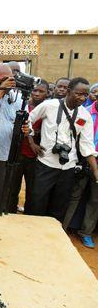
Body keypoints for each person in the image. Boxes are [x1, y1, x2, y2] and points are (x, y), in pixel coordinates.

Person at [26, 77, 98, 222]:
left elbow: (87, 145)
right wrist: (31, 142)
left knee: (58, 209)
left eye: (85, 95)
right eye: (78, 94)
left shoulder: (85, 115)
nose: (82, 98)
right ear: (69, 91)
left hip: (68, 168)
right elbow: (28, 119)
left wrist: (95, 170)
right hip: (45, 164)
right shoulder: (49, 105)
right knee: (36, 204)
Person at [63, 96, 98, 248]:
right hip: (82, 159)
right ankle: (61, 229)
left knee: (95, 200)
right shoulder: (85, 112)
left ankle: (86, 233)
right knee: (74, 195)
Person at [9, 79, 49, 212]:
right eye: (35, 90)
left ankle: (29, 213)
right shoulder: (22, 105)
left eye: (41, 91)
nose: (37, 93)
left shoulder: (49, 109)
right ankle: (10, 210)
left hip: (36, 156)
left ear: (47, 94)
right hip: (19, 152)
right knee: (13, 186)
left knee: (32, 189)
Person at [0, 64, 20, 211]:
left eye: (9, 79)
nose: (6, 82)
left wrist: (26, 128)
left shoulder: (18, 99)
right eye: (2, 80)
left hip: (4, 154)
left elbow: (26, 122)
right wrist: (0, 90)